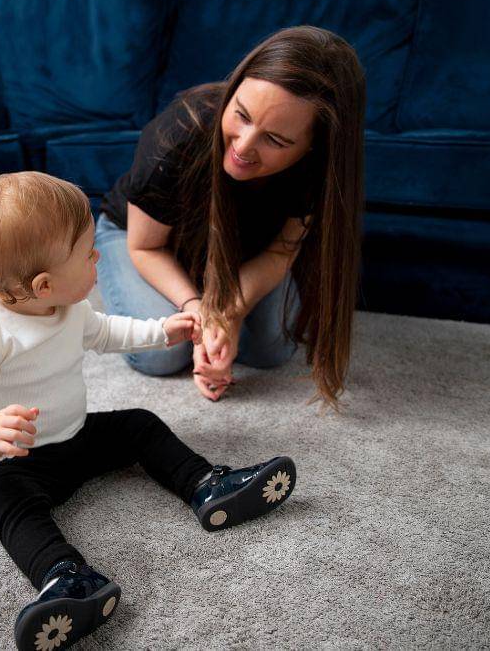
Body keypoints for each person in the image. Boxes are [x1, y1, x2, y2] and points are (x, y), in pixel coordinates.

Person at [0, 171, 297, 650]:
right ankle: (63, 577)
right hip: (9, 462)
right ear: (43, 285)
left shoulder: (68, 307)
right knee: (8, 505)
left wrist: (161, 331)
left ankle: (207, 486)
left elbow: (106, 332)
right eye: (87, 254)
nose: (98, 255)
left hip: (72, 436)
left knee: (138, 425)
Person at [96, 25, 365, 408]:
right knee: (161, 355)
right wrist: (201, 312)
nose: (243, 146)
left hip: (241, 252)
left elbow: (279, 253)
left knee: (272, 348)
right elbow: (146, 246)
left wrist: (230, 315)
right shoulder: (180, 132)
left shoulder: (320, 170)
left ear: (311, 148)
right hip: (145, 239)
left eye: (276, 140)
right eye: (241, 115)